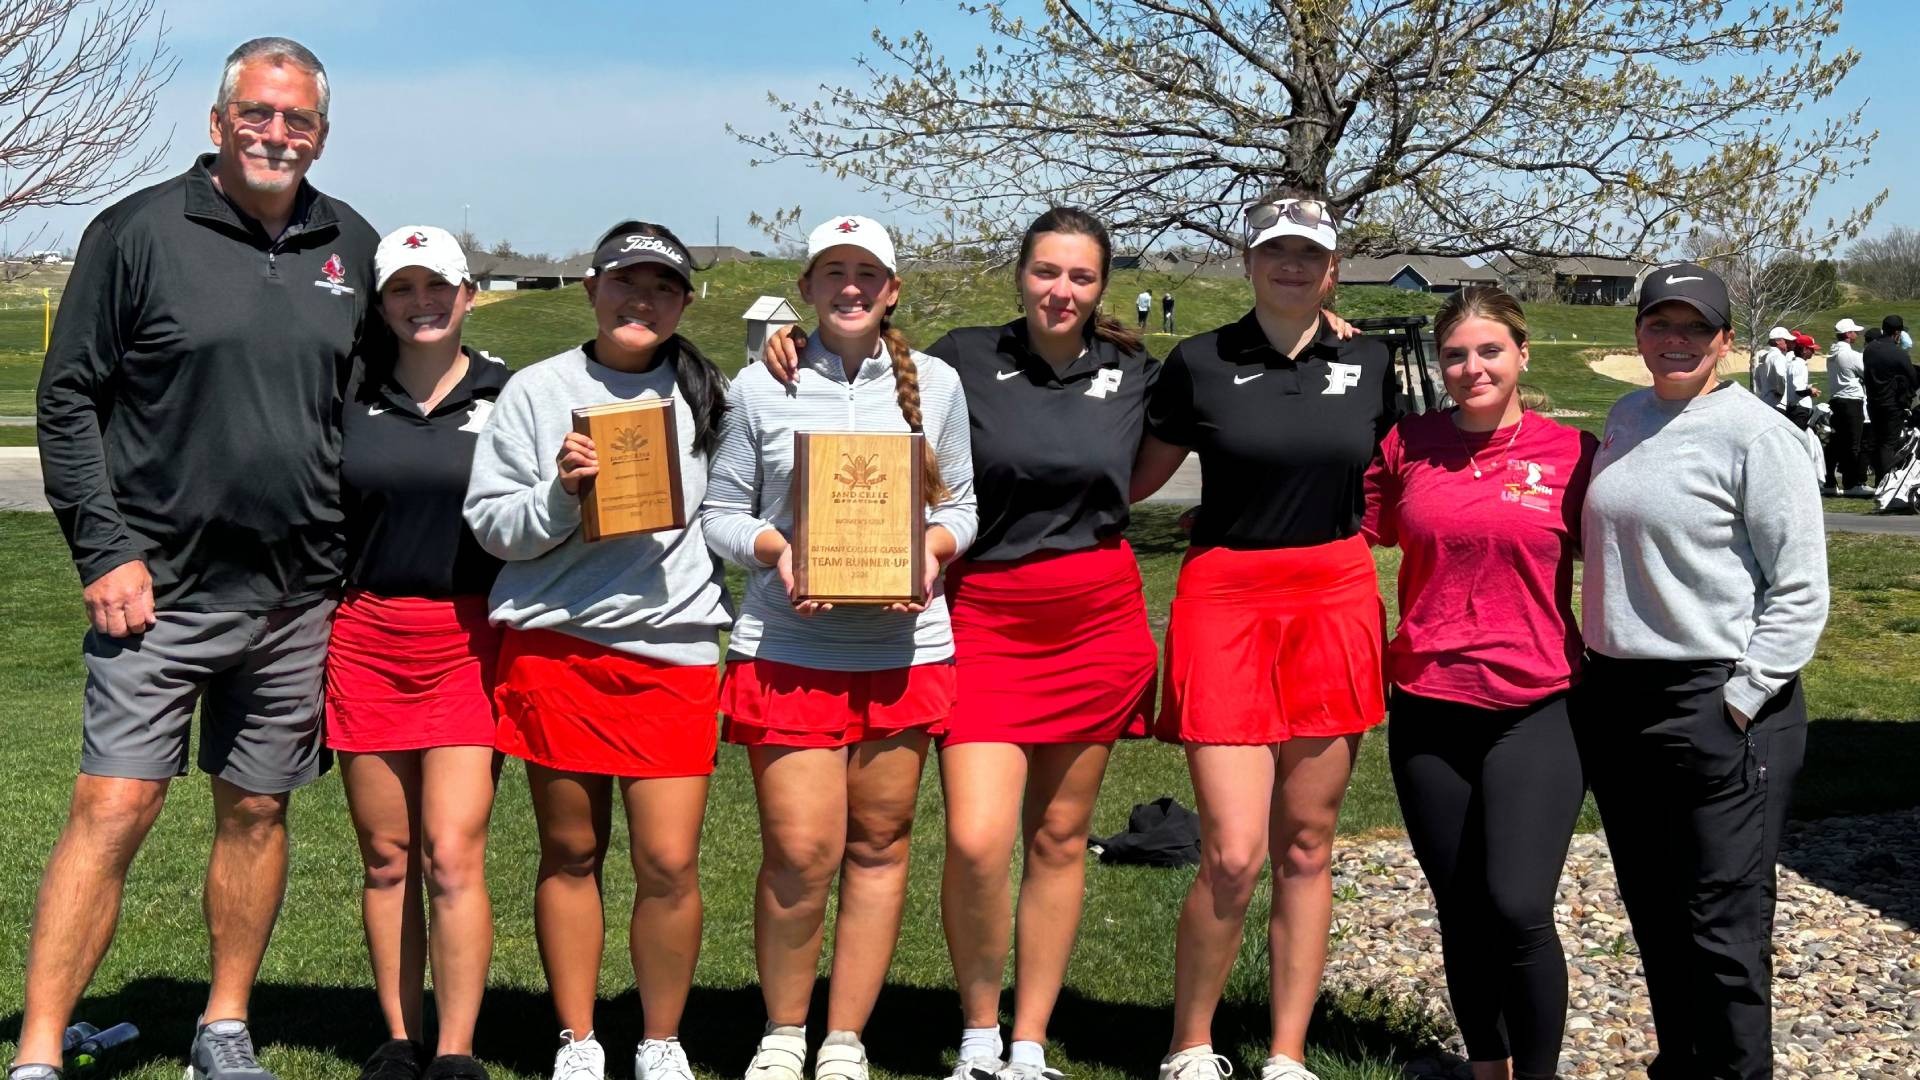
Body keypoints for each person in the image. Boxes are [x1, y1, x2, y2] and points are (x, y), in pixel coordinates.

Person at [20, 37, 374, 1080]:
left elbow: (403, 382)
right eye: (257, 115)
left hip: (298, 597)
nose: (276, 134)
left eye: (297, 120)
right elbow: (68, 396)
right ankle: (39, 1051)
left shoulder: (347, 241)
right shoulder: (136, 232)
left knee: (258, 807)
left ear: (319, 132)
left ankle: (223, 1025)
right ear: (219, 124)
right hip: (155, 591)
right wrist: (105, 548)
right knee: (115, 806)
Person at [700, 214, 977, 1080]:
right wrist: (780, 553)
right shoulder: (757, 387)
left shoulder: (936, 384)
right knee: (800, 850)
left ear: (892, 290)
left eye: (868, 273)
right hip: (790, 648)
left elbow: (961, 508)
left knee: (880, 844)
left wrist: (927, 556)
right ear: (809, 286)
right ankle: (785, 1029)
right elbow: (721, 518)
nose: (851, 287)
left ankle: (846, 1036)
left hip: (903, 649)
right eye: (833, 273)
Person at [1130, 190, 1397, 1080]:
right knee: (1234, 850)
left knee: (1307, 842)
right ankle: (1190, 1044)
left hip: (1334, 591)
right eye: (1274, 250)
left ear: (1332, 266)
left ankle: (1287, 1051)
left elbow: (1411, 475)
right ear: (1248, 261)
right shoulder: (1199, 361)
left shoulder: (1372, 362)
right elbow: (1130, 477)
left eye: (1308, 253)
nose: (1291, 265)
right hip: (1227, 597)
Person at [463, 221, 734, 1080]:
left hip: (676, 650)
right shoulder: (538, 393)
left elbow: (738, 506)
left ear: (684, 301)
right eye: (625, 282)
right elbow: (493, 528)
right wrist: (558, 494)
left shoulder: (712, 396)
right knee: (571, 853)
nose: (640, 299)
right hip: (560, 648)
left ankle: (660, 1039)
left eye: (661, 285)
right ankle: (578, 1039)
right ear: (591, 289)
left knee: (668, 860)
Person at [1578, 263, 1827, 1080]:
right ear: (1639, 332)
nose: (1674, 340)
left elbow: (1800, 588)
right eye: (1660, 324)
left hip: (1718, 700)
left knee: (1722, 921)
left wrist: (1745, 696)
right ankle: (1680, 1065)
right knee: (1654, 913)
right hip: (1620, 698)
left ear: (1726, 339)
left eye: (1694, 327)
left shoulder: (1758, 435)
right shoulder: (1627, 416)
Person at [1363, 286, 1595, 1080]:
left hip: (1537, 704)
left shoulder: (1573, 453)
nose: (1471, 368)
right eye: (1455, 354)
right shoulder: (1408, 445)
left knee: (1519, 907)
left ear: (1523, 354)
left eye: (1489, 350)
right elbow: (1339, 528)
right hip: (1428, 706)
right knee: (1461, 910)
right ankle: (1485, 1067)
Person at [331, 226, 506, 1080]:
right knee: (388, 854)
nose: (422, 303)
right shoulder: (349, 394)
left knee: (451, 850)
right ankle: (399, 1040)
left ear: (468, 294)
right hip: (366, 637)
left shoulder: (513, 393)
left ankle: (456, 1049)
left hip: (472, 638)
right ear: (381, 304)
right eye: (402, 290)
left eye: (437, 287)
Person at [1863, 314, 1918, 480]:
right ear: (1897, 333)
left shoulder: (1869, 350)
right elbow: (1913, 378)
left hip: (1873, 402)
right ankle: (1885, 481)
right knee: (1889, 443)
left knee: (1879, 441)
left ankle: (1879, 479)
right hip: (1892, 404)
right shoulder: (1898, 353)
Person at [1826, 318, 1870, 496]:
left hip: (1837, 400)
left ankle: (1833, 479)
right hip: (1852, 401)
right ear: (1847, 334)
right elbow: (1866, 373)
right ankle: (1852, 484)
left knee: (1839, 442)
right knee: (1854, 443)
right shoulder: (1850, 355)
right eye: (1854, 332)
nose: (1856, 334)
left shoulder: (1832, 355)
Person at [1751, 327, 1792, 410]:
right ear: (1778, 341)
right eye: (1786, 341)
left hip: (1765, 400)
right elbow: (1782, 377)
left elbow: (1757, 379)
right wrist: (1781, 392)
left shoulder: (1764, 357)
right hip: (1777, 403)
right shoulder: (1778, 357)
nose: (1789, 343)